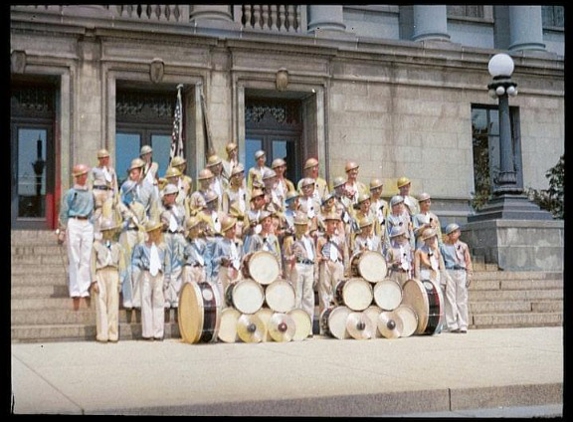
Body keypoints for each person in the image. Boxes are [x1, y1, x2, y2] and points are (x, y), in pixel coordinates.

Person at [57, 163, 96, 310]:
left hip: (87, 223)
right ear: (77, 177)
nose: (85, 177)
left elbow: (92, 211)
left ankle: (84, 288)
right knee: (74, 257)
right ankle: (75, 290)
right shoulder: (70, 193)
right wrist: (62, 229)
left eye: (86, 174)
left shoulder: (90, 193)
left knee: (86, 257)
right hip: (74, 222)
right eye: (82, 175)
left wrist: (93, 226)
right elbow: (64, 212)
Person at [131, 219, 171, 341]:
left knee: (159, 301)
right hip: (147, 273)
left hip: (159, 274)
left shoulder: (163, 247)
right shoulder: (142, 246)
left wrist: (167, 279)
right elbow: (135, 260)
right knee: (146, 300)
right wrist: (142, 263)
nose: (155, 234)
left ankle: (158, 332)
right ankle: (148, 333)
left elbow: (167, 263)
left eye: (157, 231)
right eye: (153, 232)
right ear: (148, 233)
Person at [90, 218, 127, 343]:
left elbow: (122, 264)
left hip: (113, 273)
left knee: (113, 303)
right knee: (101, 303)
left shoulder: (118, 246)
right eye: (106, 231)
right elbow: (92, 264)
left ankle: (113, 333)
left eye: (111, 231)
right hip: (101, 272)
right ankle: (102, 333)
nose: (109, 234)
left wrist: (121, 280)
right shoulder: (96, 246)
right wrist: (94, 280)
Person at [285, 213, 318, 328]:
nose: (302, 228)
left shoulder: (310, 240)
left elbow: (314, 256)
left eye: (304, 225)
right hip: (298, 266)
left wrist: (316, 272)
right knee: (297, 295)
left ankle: (307, 326)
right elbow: (286, 256)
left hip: (308, 266)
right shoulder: (290, 240)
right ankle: (295, 324)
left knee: (308, 296)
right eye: (300, 225)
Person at [440, 223, 473, 334]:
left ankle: (463, 323)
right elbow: (442, 262)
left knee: (462, 299)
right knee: (450, 298)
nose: (454, 234)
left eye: (456, 231)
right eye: (451, 233)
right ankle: (452, 324)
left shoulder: (463, 246)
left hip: (461, 271)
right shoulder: (443, 247)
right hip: (450, 271)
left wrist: (469, 273)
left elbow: (468, 260)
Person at [159, 183, 186, 309]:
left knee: (177, 266)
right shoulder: (162, 210)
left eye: (170, 195)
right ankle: (167, 296)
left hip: (178, 236)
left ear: (175, 195)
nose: (167, 198)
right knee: (167, 265)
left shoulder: (181, 209)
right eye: (166, 195)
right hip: (167, 235)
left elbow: (185, 224)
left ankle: (175, 296)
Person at [316, 212, 346, 321]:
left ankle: (337, 320)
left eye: (336, 223)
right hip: (326, 263)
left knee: (338, 291)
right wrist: (321, 258)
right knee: (324, 292)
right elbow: (317, 253)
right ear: (326, 225)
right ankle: (324, 321)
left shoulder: (340, 239)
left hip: (337, 263)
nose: (334, 226)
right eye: (332, 223)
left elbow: (345, 253)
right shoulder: (321, 239)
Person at [210, 215, 243, 305]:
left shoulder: (238, 243)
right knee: (223, 296)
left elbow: (240, 257)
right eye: (230, 229)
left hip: (236, 272)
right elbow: (214, 260)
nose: (233, 231)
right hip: (225, 272)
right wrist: (222, 260)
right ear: (225, 231)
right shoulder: (220, 243)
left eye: (234, 228)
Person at [244, 210, 283, 275]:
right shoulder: (255, 238)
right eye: (264, 221)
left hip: (271, 268)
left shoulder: (274, 239)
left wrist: (280, 269)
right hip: (258, 269)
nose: (266, 223)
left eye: (268, 221)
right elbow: (250, 254)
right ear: (261, 223)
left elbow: (278, 255)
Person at [90, 148, 119, 231]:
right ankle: (97, 231)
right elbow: (90, 183)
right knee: (98, 213)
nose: (104, 160)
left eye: (106, 158)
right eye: (102, 158)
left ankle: (107, 230)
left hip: (108, 192)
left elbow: (115, 183)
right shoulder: (94, 170)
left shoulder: (111, 170)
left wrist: (116, 196)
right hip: (98, 191)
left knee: (108, 213)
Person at [181, 216, 211, 285]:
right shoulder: (184, 243)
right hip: (190, 268)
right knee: (189, 289)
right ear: (189, 229)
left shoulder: (202, 243)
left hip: (201, 268)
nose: (195, 230)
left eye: (197, 227)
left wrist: (207, 271)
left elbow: (207, 259)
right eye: (193, 228)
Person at [221, 163, 248, 238]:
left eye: (239, 175)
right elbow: (225, 211)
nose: (237, 178)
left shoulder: (245, 192)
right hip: (234, 220)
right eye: (235, 175)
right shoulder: (227, 193)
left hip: (245, 220)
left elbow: (248, 209)